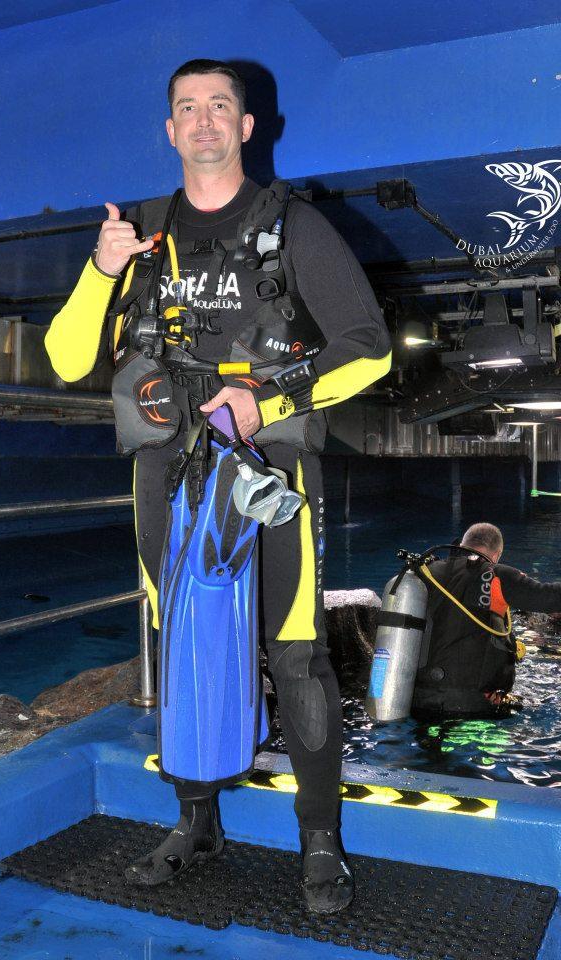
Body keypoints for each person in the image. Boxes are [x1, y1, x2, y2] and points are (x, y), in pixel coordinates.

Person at [45, 58, 392, 914]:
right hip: (167, 472)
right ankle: (195, 822)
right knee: (181, 644)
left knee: (297, 651)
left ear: (246, 126)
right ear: (170, 129)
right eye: (186, 108)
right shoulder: (140, 239)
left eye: (219, 108)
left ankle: (319, 844)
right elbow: (64, 360)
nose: (202, 121)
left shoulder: (295, 226)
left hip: (270, 469)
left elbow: (369, 348)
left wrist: (271, 397)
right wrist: (99, 269)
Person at [412, 522, 561, 719]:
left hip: (416, 700)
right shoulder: (496, 576)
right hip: (473, 705)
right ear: (497, 554)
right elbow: (549, 597)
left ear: (462, 545)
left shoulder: (426, 571)